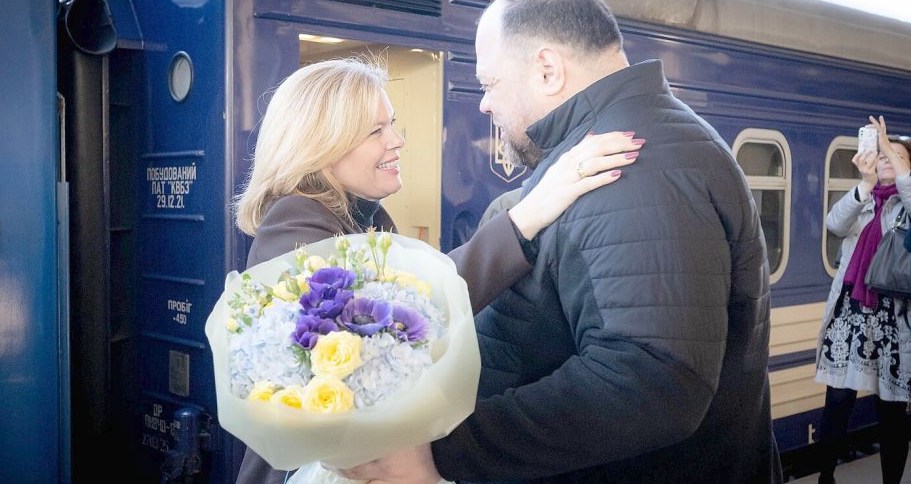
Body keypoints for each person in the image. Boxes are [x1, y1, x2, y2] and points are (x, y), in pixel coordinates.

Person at [341, 0, 779, 484]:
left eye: (489, 84)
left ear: (547, 69)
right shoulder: (629, 143)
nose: (483, 103)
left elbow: (652, 379)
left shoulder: (629, 166)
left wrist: (449, 450)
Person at [232, 57, 643, 484]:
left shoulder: (363, 218)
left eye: (392, 123)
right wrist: (528, 215)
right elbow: (399, 311)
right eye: (376, 131)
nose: (397, 140)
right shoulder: (295, 222)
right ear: (320, 145)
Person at [814, 119, 911, 484]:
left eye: (897, 156)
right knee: (837, 403)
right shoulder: (865, 200)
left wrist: (888, 146)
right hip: (852, 315)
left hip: (893, 320)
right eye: (885, 155)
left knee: (891, 412)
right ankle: (826, 477)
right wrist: (865, 184)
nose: (887, 159)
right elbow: (834, 224)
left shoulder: (906, 206)